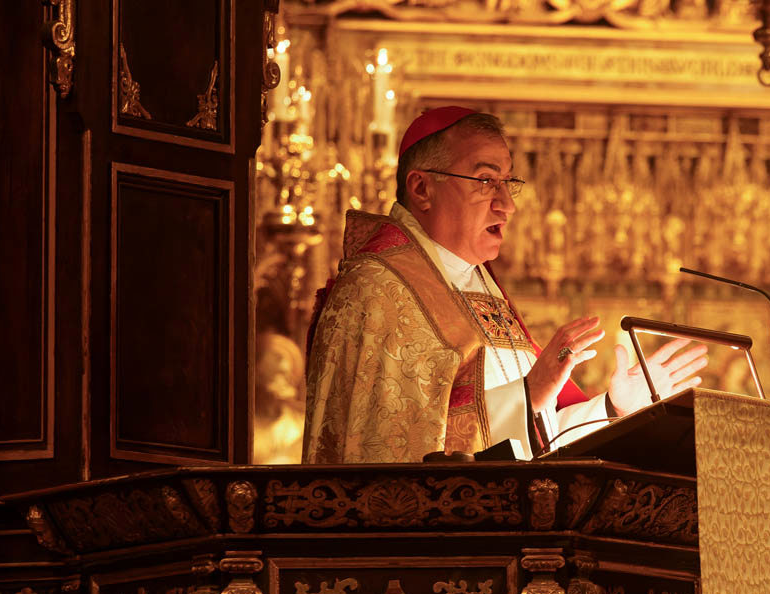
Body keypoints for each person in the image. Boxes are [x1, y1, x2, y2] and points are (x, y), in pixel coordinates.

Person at [302, 107, 707, 463]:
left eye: (508, 183)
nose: (507, 205)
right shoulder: (378, 290)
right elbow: (388, 449)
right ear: (422, 188)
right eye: (485, 181)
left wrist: (612, 407)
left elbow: (531, 447)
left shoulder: (477, 284)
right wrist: (527, 394)